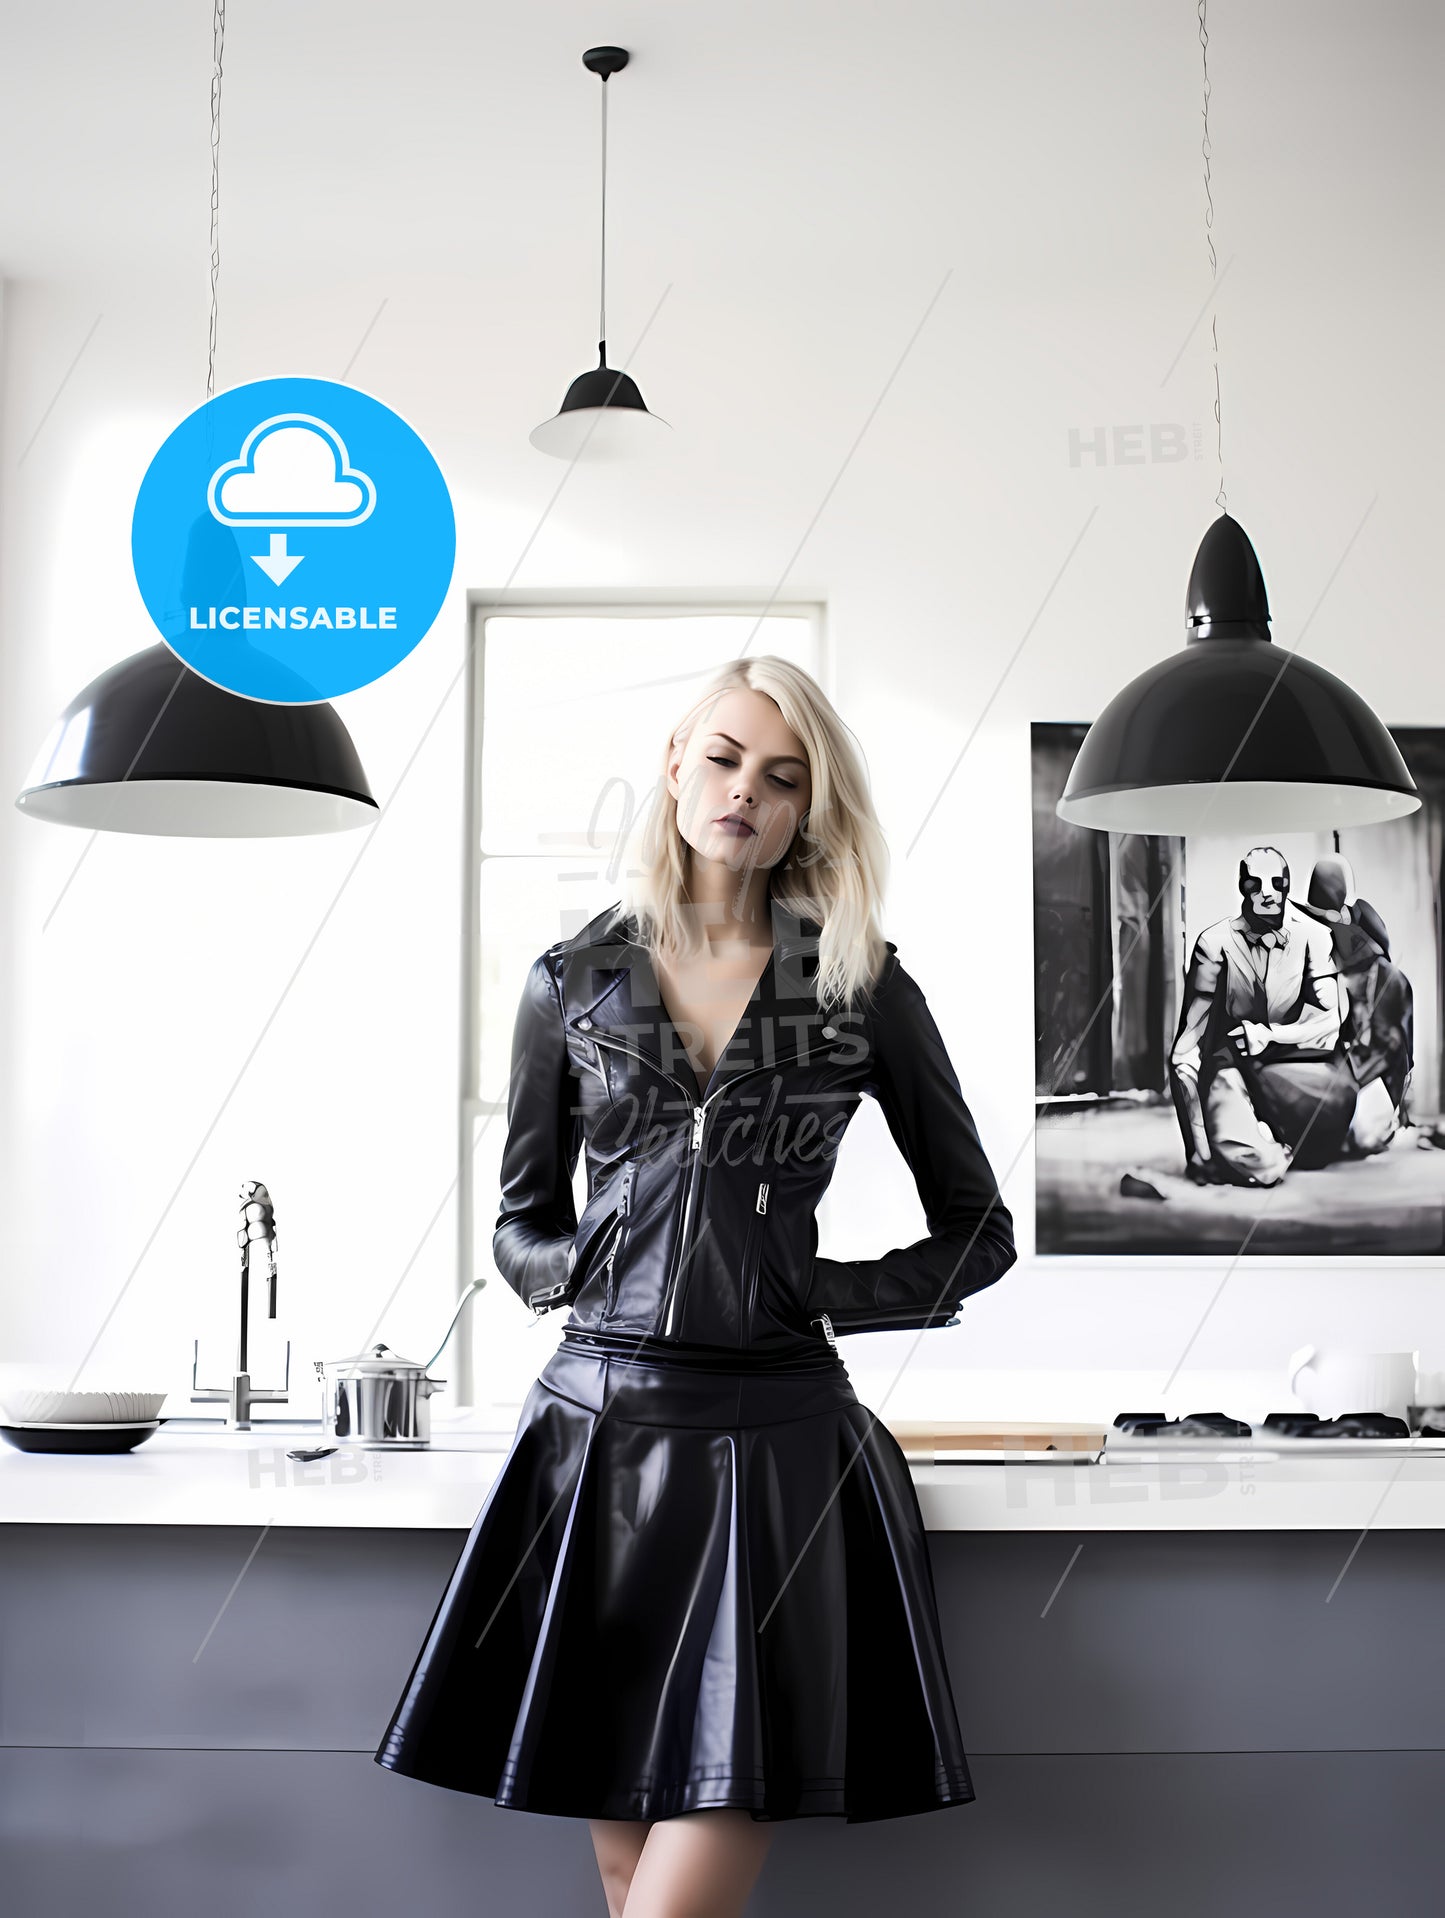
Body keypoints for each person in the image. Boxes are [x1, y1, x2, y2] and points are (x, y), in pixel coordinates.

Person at [374, 656, 1017, 1916]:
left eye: (781, 779)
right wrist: (584, 1268)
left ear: (806, 813)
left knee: (689, 1861)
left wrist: (816, 1288)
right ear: (674, 764)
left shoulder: (860, 983)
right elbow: (516, 1228)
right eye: (723, 759)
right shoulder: (572, 980)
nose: (744, 792)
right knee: (626, 1870)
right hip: (594, 1436)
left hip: (775, 1448)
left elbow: (976, 1230)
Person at [1169, 846, 1355, 1186]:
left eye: (1276, 882)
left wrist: (1269, 1036)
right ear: (1243, 886)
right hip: (1233, 1071)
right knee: (1263, 1168)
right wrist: (1199, 1151)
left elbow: (1329, 1024)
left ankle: (1281, 1138)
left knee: (1330, 1133)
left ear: (1287, 884)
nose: (1267, 892)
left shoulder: (1314, 937)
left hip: (1297, 1075)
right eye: (1255, 883)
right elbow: (1186, 1048)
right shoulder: (1215, 944)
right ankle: (1262, 1142)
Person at [1296, 854, 1414, 1155]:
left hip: (1370, 1080)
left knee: (1361, 1134)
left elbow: (1387, 1050)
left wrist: (1340, 1086)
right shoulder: (1311, 963)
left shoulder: (1384, 978)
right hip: (1334, 1073)